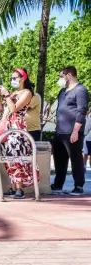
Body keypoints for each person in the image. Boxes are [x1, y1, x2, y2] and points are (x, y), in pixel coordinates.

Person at [0, 68, 40, 199]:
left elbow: (14, 109)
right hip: (6, 128)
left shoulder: (27, 93)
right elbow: (0, 109)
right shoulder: (13, 93)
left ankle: (20, 189)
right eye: (11, 78)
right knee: (7, 157)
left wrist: (7, 95)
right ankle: (14, 186)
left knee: (17, 156)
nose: (12, 80)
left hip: (17, 128)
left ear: (23, 78)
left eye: (15, 78)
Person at [52, 66, 89, 195]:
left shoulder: (80, 90)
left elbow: (81, 111)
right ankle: (58, 184)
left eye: (61, 77)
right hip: (60, 131)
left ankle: (78, 185)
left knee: (76, 159)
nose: (60, 80)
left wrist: (75, 131)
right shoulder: (63, 91)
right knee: (59, 160)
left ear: (69, 75)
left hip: (73, 131)